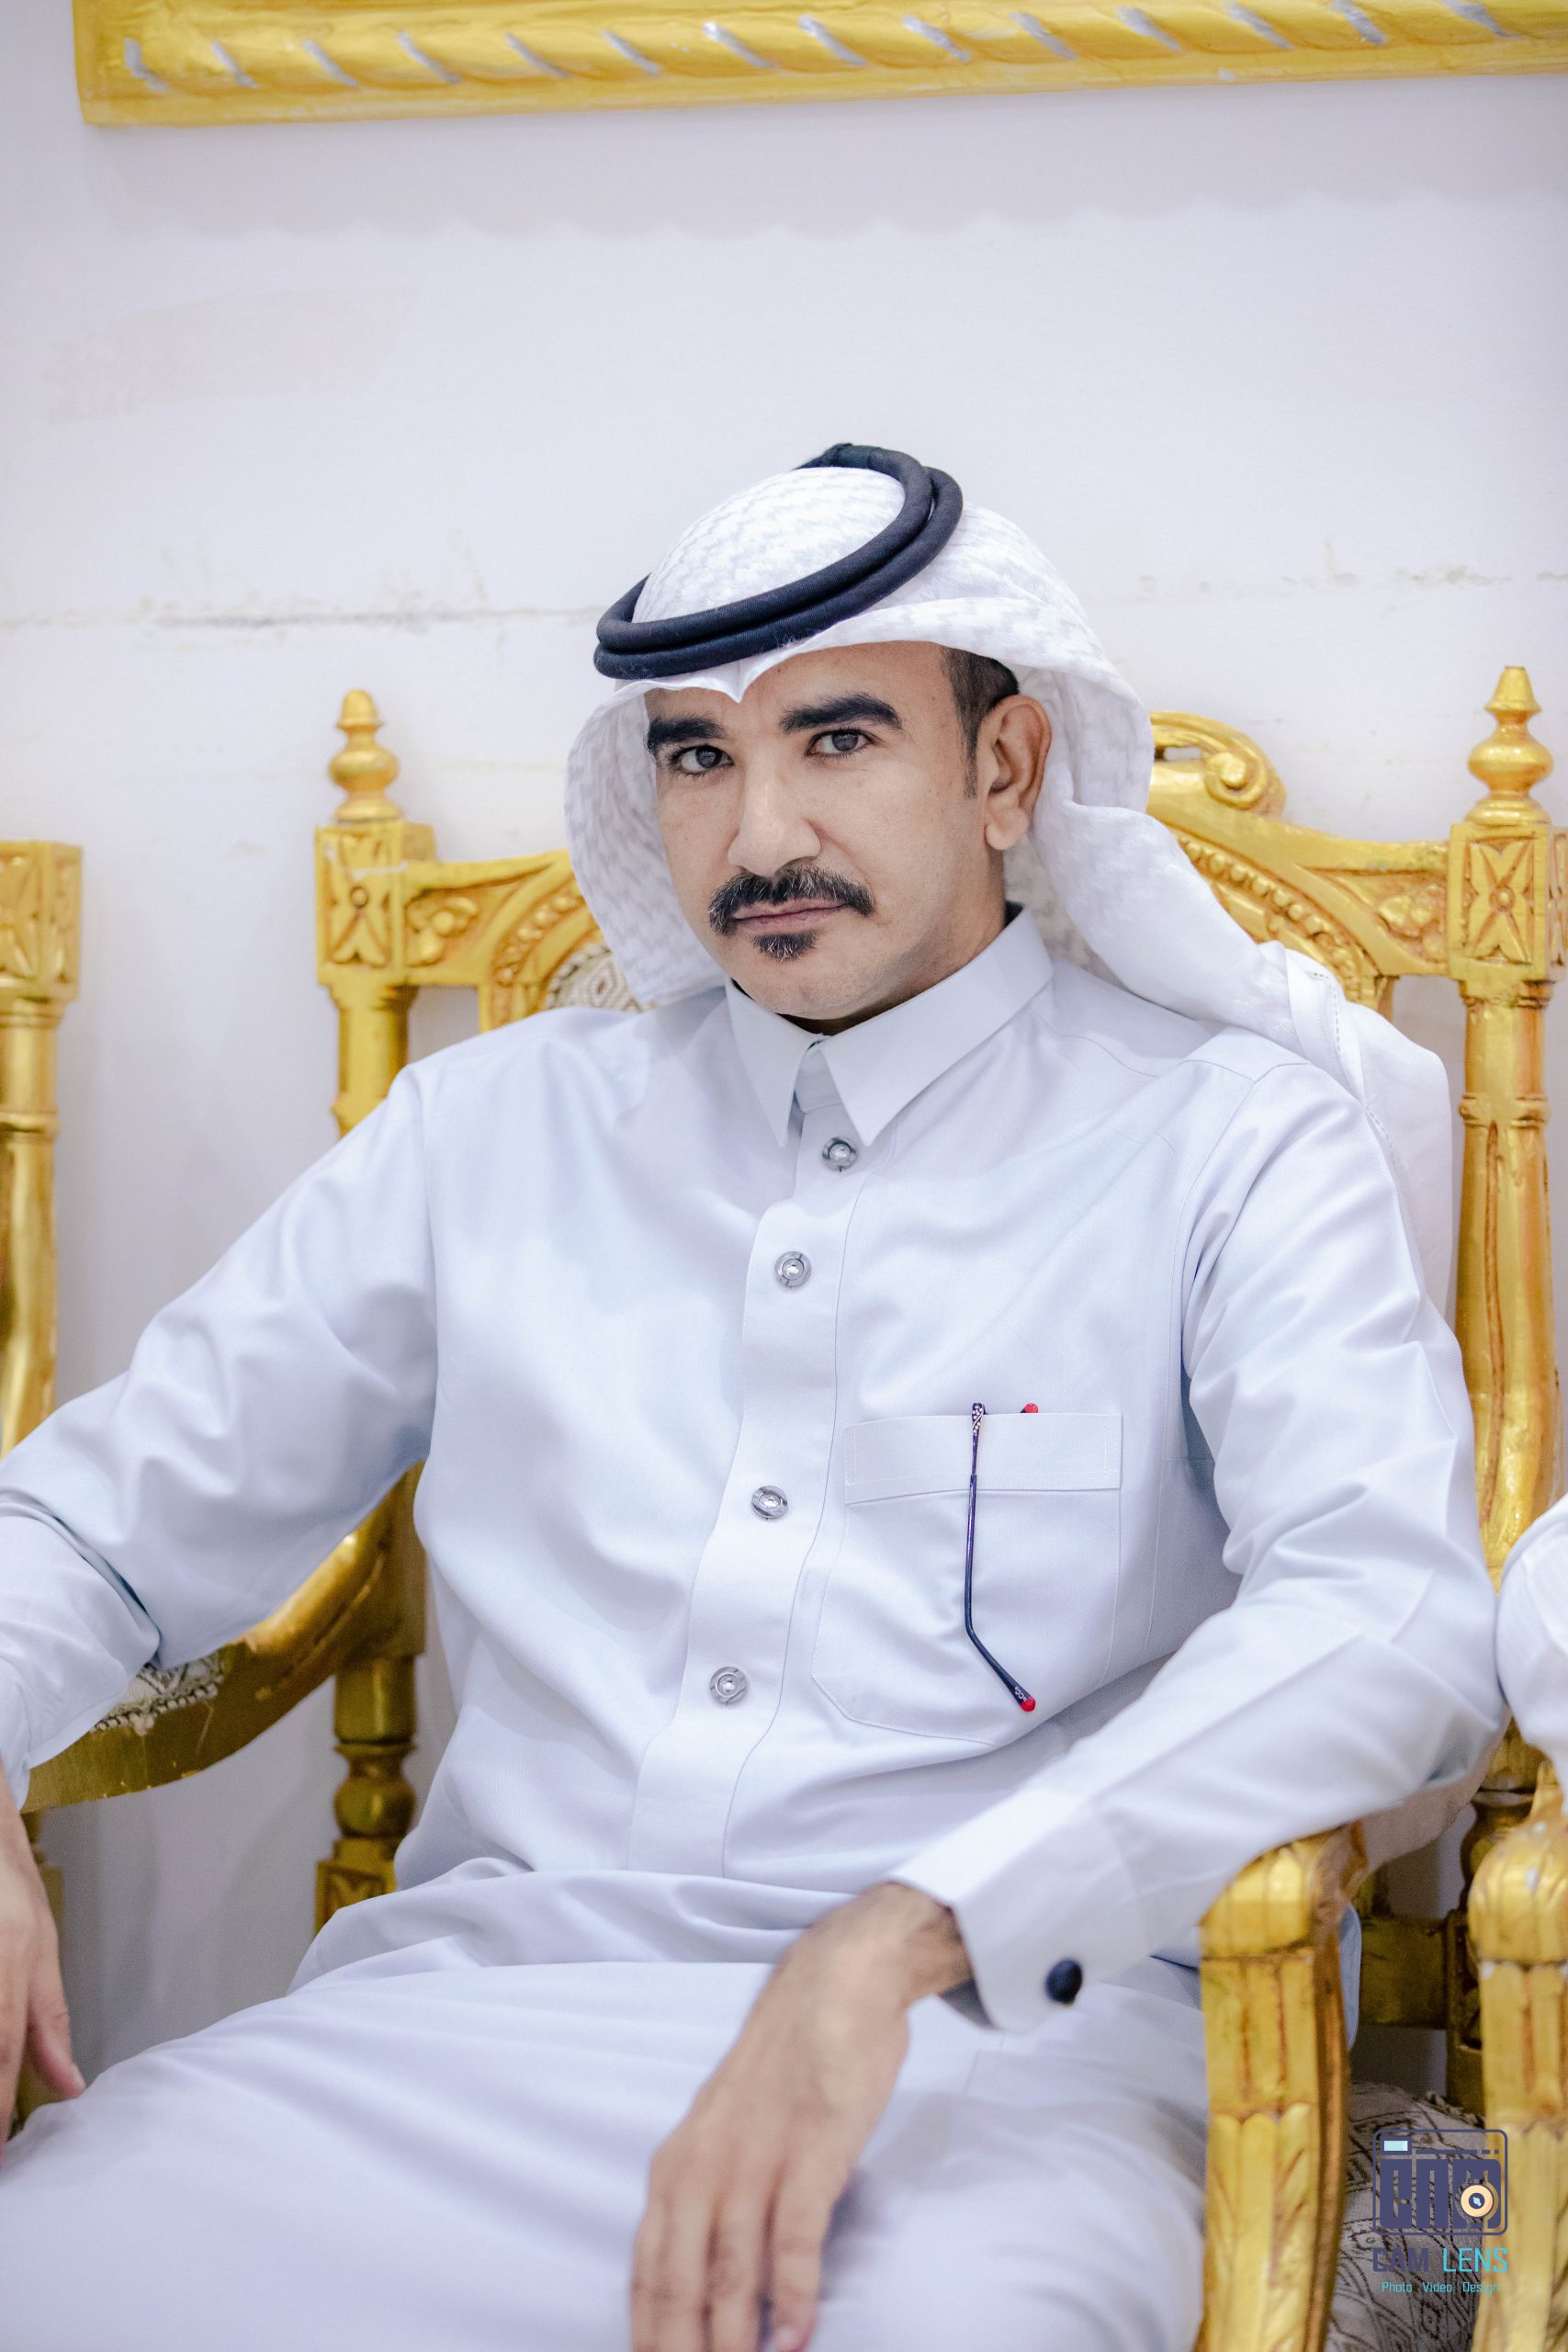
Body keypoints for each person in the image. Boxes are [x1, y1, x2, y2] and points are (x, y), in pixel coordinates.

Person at [0, 447, 1501, 2352]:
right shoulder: (492, 1130)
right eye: (697, 756)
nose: (756, 831)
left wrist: (908, 1930)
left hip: (1006, 2060)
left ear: (1007, 767)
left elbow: (1387, 1619)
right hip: (446, 2028)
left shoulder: (1227, 1141)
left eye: (837, 737)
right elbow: (92, 1520)